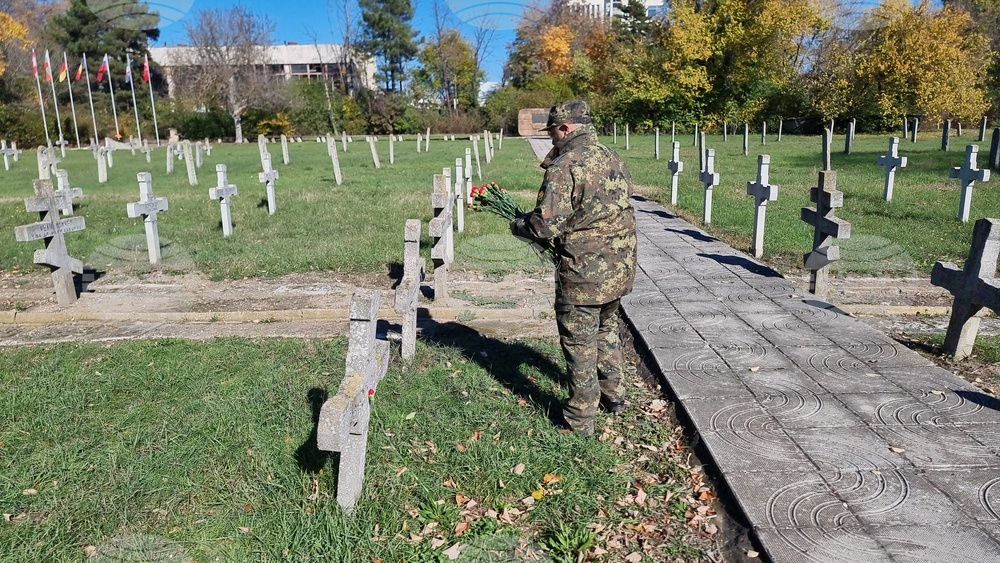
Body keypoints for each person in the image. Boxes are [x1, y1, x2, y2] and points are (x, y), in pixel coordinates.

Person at [509, 100, 638, 436]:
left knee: (579, 343)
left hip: (584, 273)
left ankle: (580, 419)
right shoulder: (611, 156)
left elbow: (545, 226)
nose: (551, 137)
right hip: (620, 266)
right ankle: (615, 395)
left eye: (552, 130)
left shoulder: (565, 165)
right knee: (606, 330)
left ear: (565, 127)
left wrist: (519, 225)